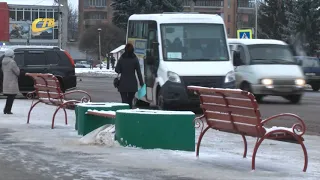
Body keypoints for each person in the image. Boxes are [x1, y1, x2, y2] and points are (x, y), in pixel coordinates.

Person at [115, 43, 144, 109]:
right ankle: (129, 112)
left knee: (124, 101)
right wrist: (141, 83)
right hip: (132, 84)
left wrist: (122, 69)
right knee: (130, 101)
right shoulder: (135, 59)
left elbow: (116, 70)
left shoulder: (122, 58)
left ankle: (124, 114)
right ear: (133, 50)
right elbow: (139, 72)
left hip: (122, 83)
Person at [2, 49, 20, 114]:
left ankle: (6, 109)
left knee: (10, 96)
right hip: (12, 81)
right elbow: (17, 72)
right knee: (11, 96)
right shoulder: (12, 62)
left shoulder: (3, 61)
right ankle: (7, 110)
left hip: (6, 80)